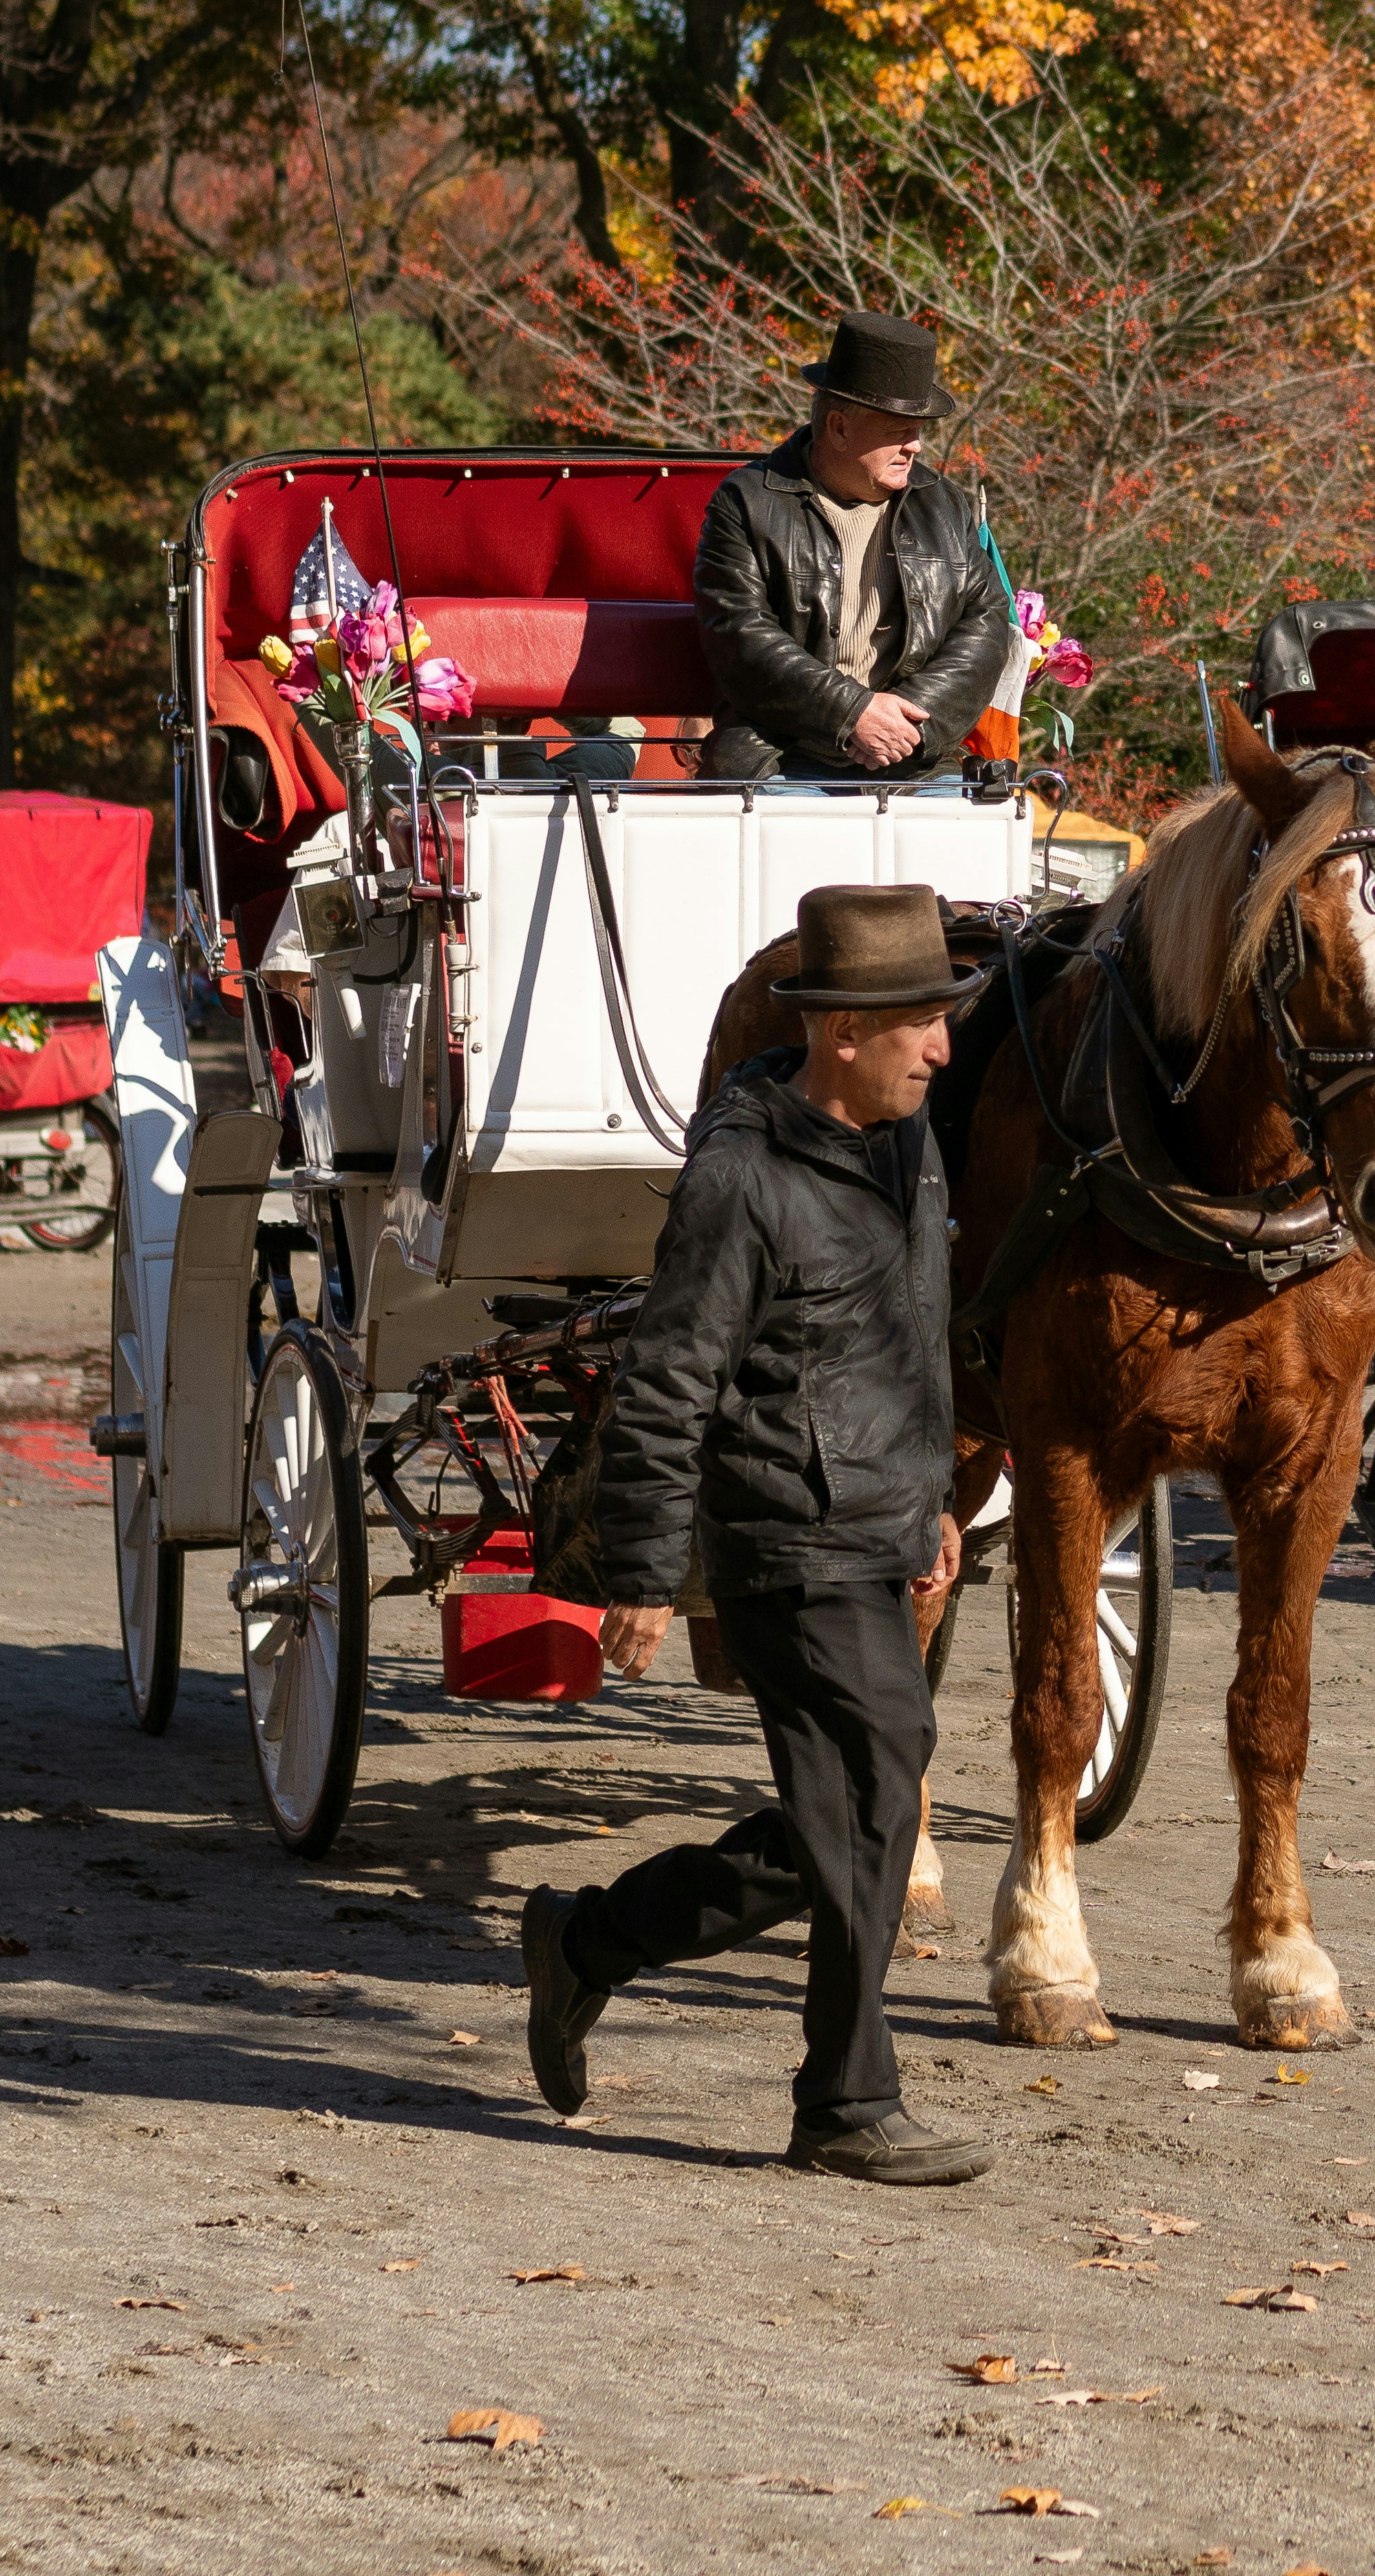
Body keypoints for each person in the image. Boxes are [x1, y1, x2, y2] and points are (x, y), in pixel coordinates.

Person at [519, 883, 992, 2185]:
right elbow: (666, 1380)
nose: (942, 1049)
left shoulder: (908, 1140)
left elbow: (910, 1338)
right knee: (880, 1791)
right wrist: (642, 1576)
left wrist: (934, 1497)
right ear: (841, 1032)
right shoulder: (740, 1181)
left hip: (875, 1524)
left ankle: (591, 1942)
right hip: (783, 1539)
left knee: (853, 1825)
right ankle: (844, 2103)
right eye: (921, 1026)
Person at [691, 308, 1012, 783]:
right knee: (794, 851)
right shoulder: (747, 502)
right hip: (777, 757)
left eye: (919, 431)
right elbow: (739, 635)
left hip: (913, 761)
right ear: (839, 428)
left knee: (965, 845)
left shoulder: (944, 506)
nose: (916, 447)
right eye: (899, 432)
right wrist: (854, 714)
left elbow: (987, 622)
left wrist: (910, 724)